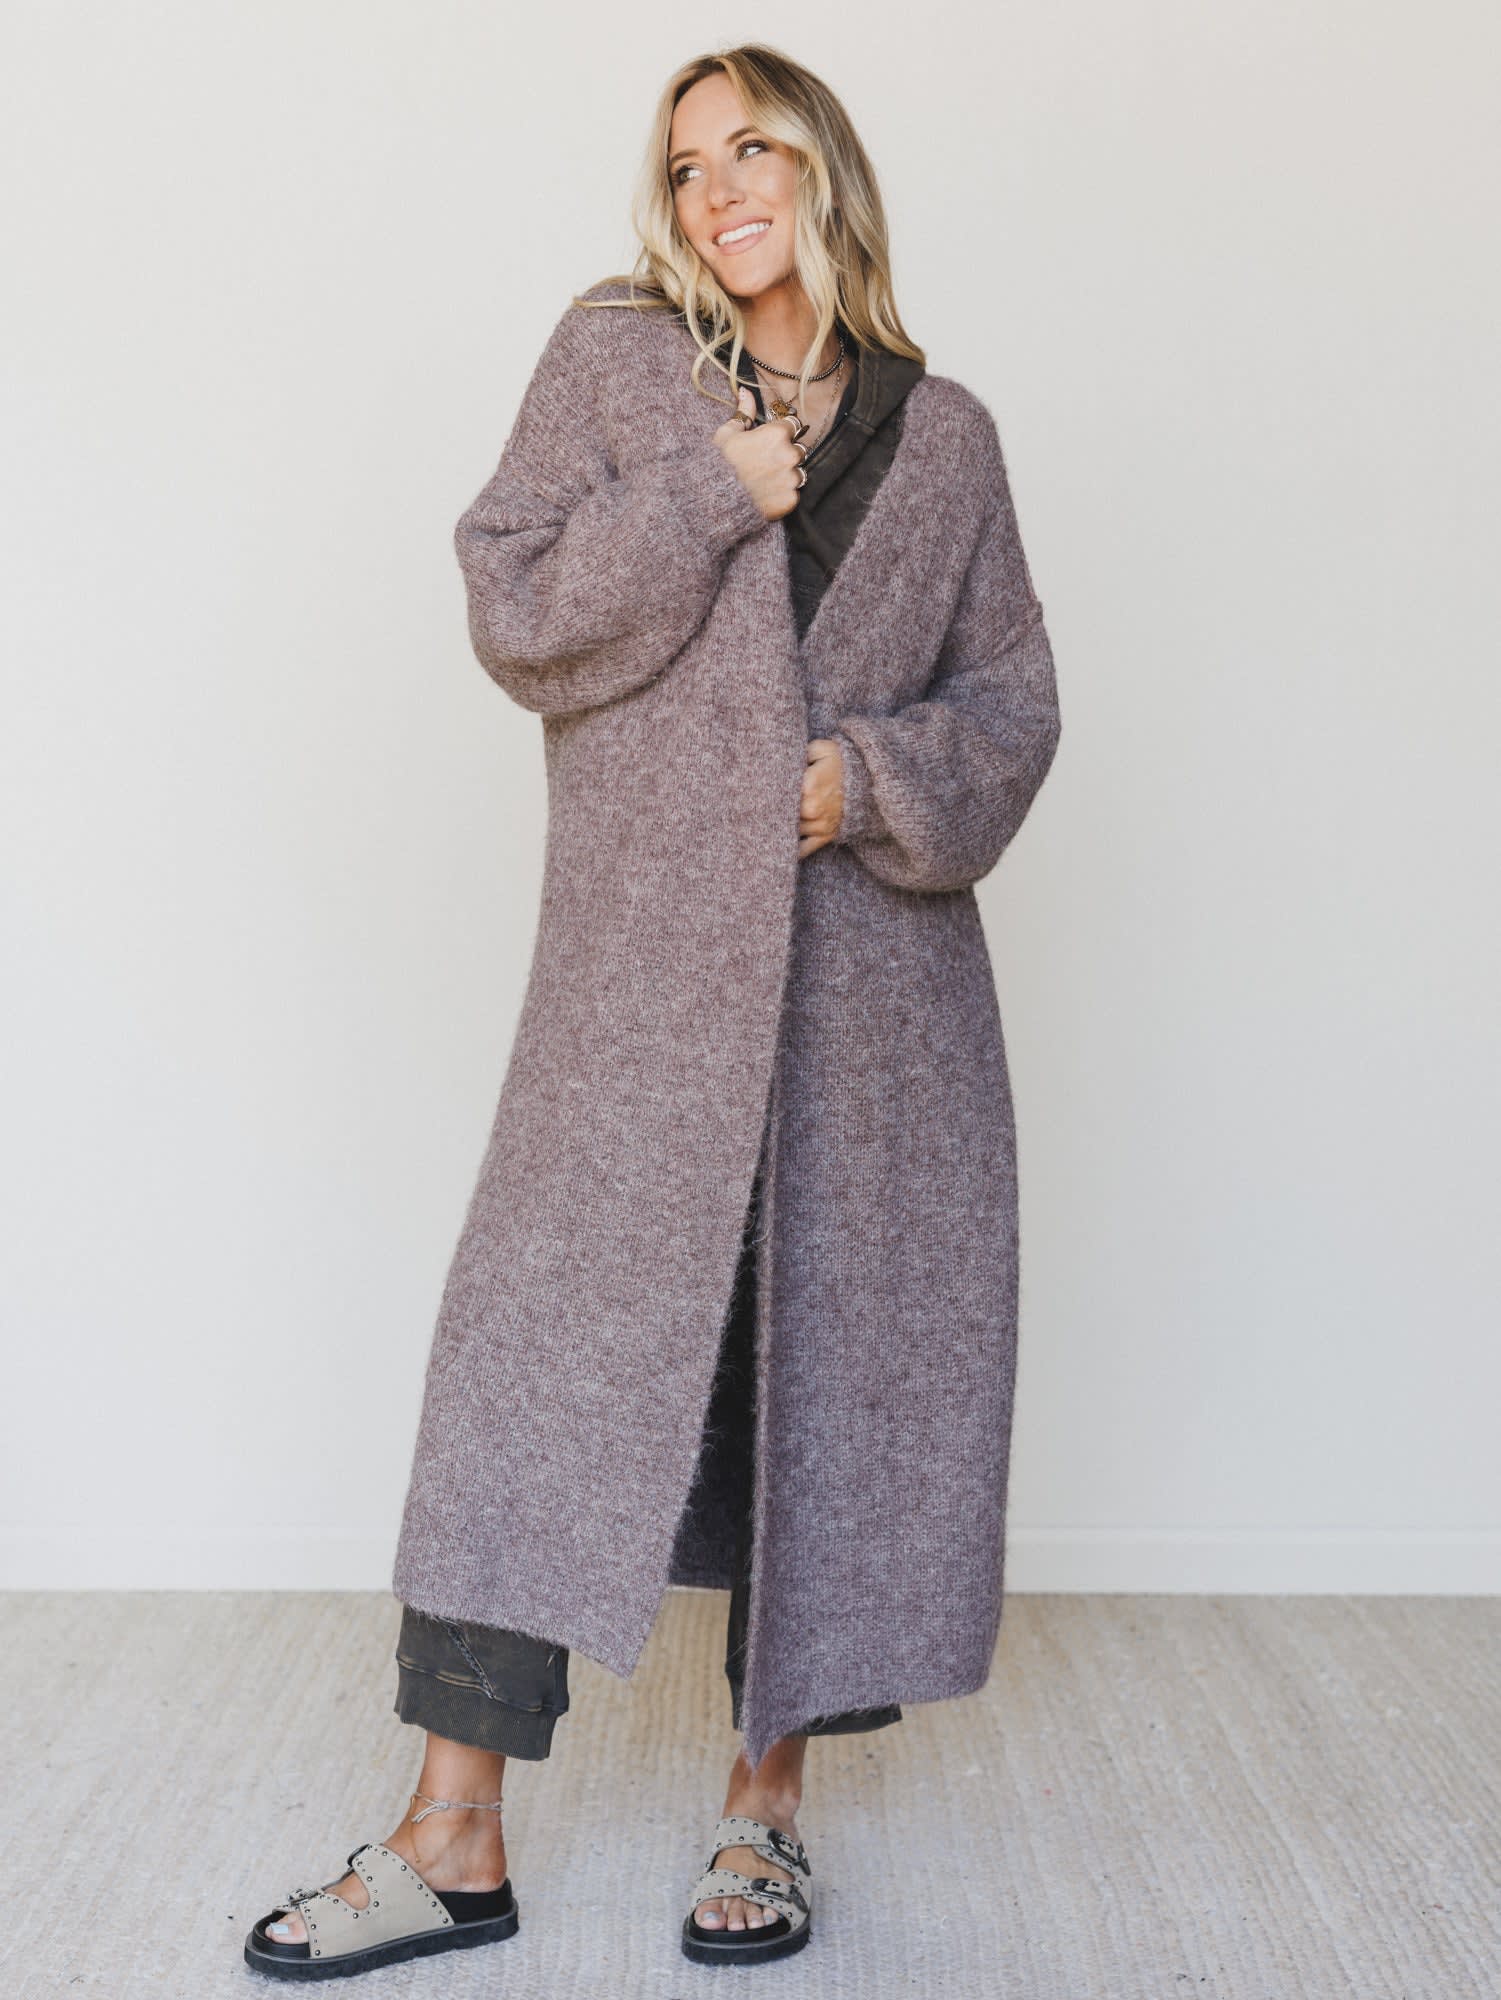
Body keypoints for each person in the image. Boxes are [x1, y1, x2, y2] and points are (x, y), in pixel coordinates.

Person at [245, 39, 1061, 1982]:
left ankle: (762, 1811)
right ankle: (449, 1833)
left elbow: (1014, 706)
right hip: (637, 995)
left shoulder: (945, 438)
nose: (716, 189)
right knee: (531, 1370)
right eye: (686, 164)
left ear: (825, 171)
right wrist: (707, 492)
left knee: (821, 1389)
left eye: (751, 147)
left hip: (871, 1014)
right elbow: (514, 600)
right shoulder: (617, 361)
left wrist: (864, 782)